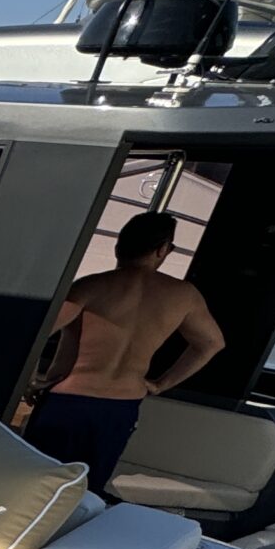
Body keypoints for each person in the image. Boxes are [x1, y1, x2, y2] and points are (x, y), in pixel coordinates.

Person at [25, 211, 227, 493]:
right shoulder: (184, 296)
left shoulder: (90, 286)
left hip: (69, 399)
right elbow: (212, 344)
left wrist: (31, 379)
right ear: (162, 250)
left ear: (119, 245)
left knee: (33, 484)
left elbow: (33, 334)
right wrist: (161, 384)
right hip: (121, 405)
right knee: (86, 492)